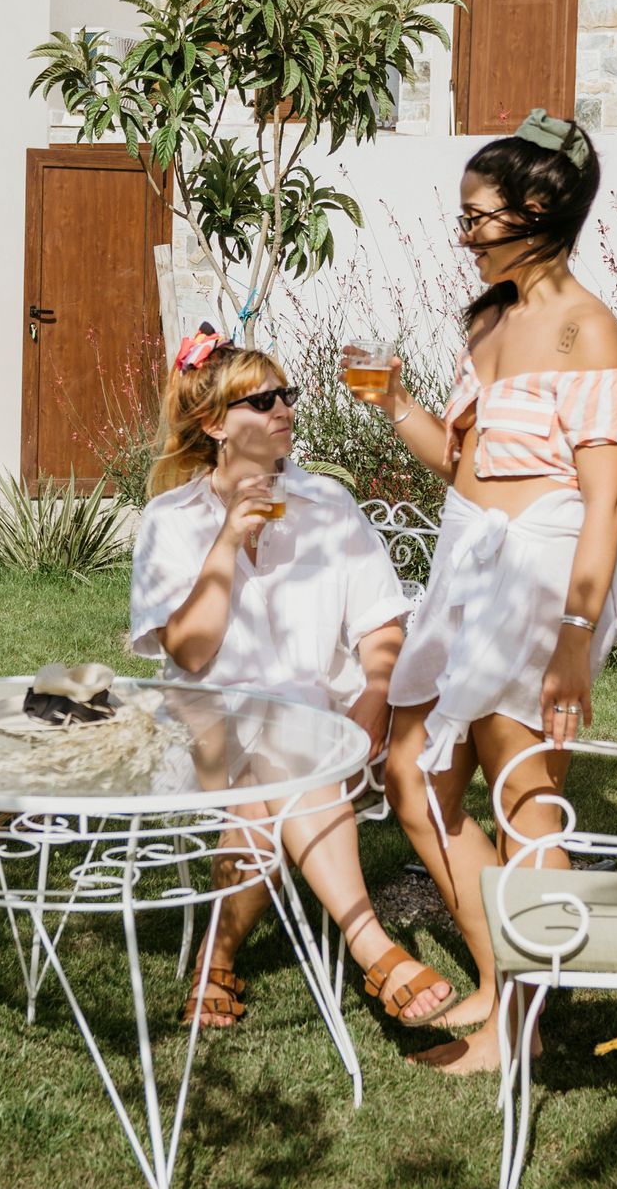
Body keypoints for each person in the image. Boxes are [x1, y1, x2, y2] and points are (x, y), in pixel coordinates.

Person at [361, 111, 617, 1075]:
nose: (466, 236)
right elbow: (465, 465)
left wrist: (574, 636)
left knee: (523, 797)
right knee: (412, 775)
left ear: (538, 210)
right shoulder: (488, 320)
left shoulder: (586, 328)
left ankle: (517, 1026)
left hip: (543, 571)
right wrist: (396, 403)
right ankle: (498, 975)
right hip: (470, 556)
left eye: (478, 218)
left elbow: (605, 501)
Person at [128, 329, 456, 1032]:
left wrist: (376, 695)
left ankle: (217, 962)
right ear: (214, 425)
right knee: (276, 743)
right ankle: (373, 947)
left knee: (273, 768)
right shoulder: (170, 521)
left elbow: (380, 623)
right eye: (262, 400)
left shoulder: (327, 505)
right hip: (204, 735)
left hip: (322, 735)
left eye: (288, 395)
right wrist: (225, 540)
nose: (285, 409)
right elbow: (189, 654)